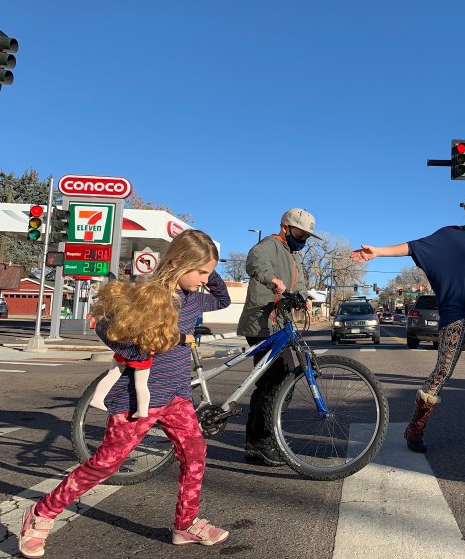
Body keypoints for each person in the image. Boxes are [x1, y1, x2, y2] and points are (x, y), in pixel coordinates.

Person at [18, 230, 231, 558]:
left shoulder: (194, 298)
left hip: (176, 395)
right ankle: (41, 514)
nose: (205, 280)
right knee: (106, 463)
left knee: (195, 452)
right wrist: (134, 352)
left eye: (208, 273)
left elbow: (223, 300)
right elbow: (106, 326)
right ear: (177, 263)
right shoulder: (144, 293)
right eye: (200, 272)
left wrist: (208, 264)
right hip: (137, 398)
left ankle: (185, 525)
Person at [351, 181, 465, 454]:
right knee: (443, 372)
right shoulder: (448, 236)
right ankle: (415, 429)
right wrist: (377, 251)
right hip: (455, 316)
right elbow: (412, 247)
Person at [237, 208, 317, 466]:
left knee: (277, 381)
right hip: (262, 324)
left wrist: (303, 299)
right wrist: (271, 280)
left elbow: (300, 284)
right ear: (285, 227)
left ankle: (260, 441)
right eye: (300, 234)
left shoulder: (293, 255)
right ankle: (260, 443)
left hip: (280, 324)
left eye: (307, 236)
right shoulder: (269, 245)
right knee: (276, 381)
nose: (303, 240)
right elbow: (255, 261)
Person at [89, 281, 180, 418]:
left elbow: (104, 328)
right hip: (142, 357)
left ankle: (97, 398)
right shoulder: (159, 322)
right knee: (141, 385)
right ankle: (142, 410)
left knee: (112, 375)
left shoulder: (129, 317)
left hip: (123, 354)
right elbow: (166, 341)